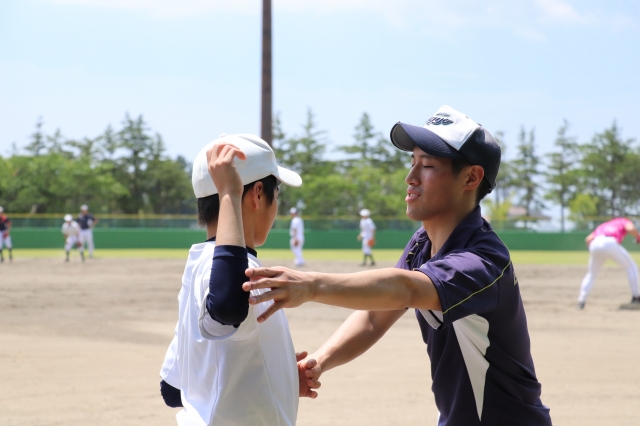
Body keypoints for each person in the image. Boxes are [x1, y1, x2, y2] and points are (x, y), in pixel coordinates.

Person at [243, 106, 552, 425]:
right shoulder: (423, 243)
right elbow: (374, 317)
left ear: (471, 177)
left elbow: (405, 289)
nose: (411, 177)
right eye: (412, 162)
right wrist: (318, 362)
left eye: (427, 165)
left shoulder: (483, 260)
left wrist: (311, 286)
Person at [159, 134, 319, 426]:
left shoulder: (198, 267)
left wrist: (276, 377)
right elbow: (227, 307)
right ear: (258, 194)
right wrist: (230, 194)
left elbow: (173, 389)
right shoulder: (230, 271)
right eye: (276, 194)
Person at [577, 218, 640, 309]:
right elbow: (631, 228)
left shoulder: (603, 225)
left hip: (594, 244)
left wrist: (596, 252)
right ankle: (636, 297)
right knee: (631, 267)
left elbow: (588, 239)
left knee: (591, 274)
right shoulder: (624, 221)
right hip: (610, 243)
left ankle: (581, 301)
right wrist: (638, 236)